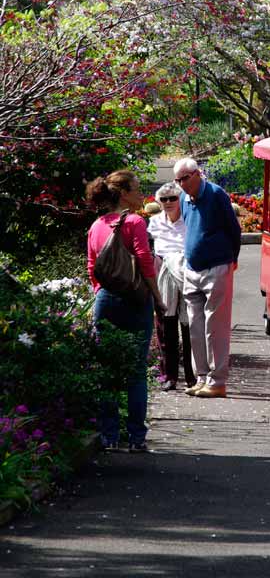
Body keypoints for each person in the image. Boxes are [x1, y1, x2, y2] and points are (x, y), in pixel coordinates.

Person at [86, 170, 165, 453]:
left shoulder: (96, 226)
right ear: (123, 194)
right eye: (136, 189)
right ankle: (135, 437)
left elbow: (92, 267)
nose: (141, 194)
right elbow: (145, 262)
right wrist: (157, 297)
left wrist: (102, 294)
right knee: (135, 371)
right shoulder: (134, 221)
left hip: (106, 300)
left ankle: (108, 436)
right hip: (134, 300)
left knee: (107, 370)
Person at [174, 158, 241, 399]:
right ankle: (201, 377)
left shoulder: (216, 194)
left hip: (217, 266)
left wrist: (233, 257)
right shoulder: (183, 198)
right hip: (192, 269)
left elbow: (234, 230)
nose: (181, 184)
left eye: (185, 178)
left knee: (216, 327)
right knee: (195, 327)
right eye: (177, 180)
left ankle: (217, 381)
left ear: (197, 174)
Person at [148, 182, 196, 392]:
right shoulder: (154, 222)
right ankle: (169, 375)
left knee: (189, 324)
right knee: (166, 325)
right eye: (164, 199)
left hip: (186, 270)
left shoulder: (190, 220)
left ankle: (192, 375)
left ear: (181, 200)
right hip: (163, 269)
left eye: (172, 198)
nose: (168, 203)